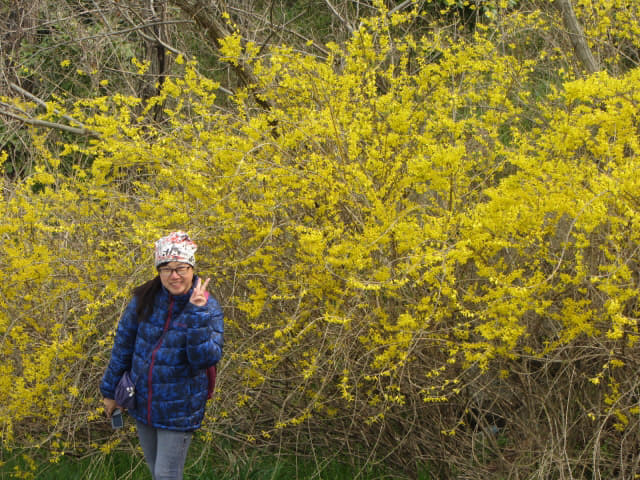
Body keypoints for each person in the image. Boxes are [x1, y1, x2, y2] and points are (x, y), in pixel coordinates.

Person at [100, 231, 224, 480]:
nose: (174, 275)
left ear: (191, 269)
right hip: (143, 401)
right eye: (166, 269)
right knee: (155, 470)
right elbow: (122, 346)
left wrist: (197, 315)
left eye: (181, 268)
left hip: (179, 408)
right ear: (158, 270)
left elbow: (205, 359)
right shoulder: (144, 299)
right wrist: (110, 392)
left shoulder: (207, 306)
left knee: (166, 474)